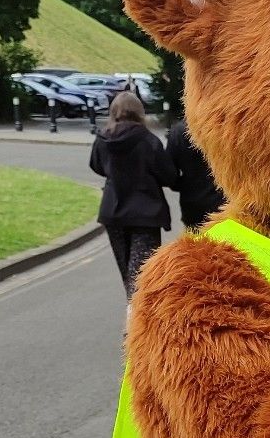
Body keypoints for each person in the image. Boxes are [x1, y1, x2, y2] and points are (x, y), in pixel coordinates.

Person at [90, 90, 178, 297]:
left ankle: (134, 317)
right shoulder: (148, 141)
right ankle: (137, 321)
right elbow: (169, 176)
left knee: (126, 271)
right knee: (142, 275)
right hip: (145, 215)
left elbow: (96, 165)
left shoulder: (103, 139)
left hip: (113, 211)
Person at [165, 114, 224, 228]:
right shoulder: (220, 126)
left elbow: (169, 174)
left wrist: (183, 184)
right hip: (221, 201)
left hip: (192, 203)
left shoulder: (178, 132)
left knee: (195, 242)